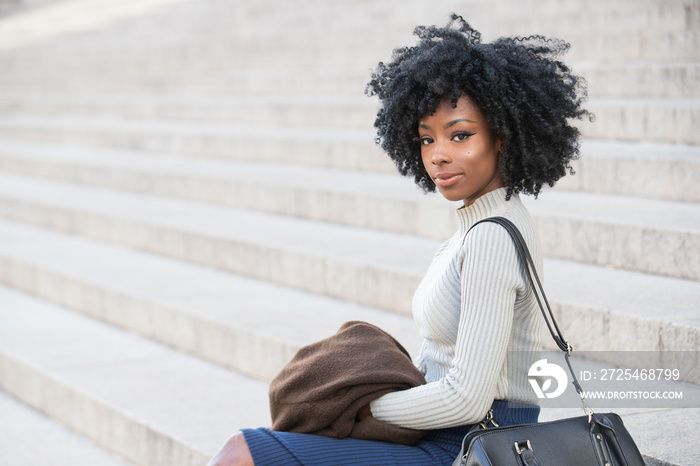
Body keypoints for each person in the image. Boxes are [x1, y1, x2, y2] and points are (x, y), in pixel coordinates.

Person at [207, 14, 591, 466]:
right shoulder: (476, 227)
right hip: (441, 436)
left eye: (460, 135)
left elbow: (467, 399)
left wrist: (357, 410)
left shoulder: (492, 237)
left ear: (503, 138)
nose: (439, 155)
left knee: (244, 453)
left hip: (468, 449)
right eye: (427, 140)